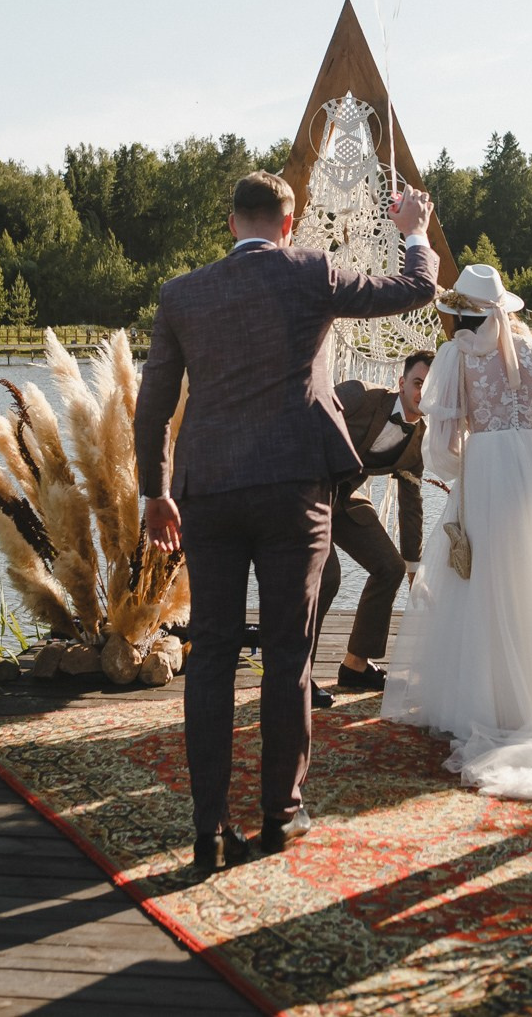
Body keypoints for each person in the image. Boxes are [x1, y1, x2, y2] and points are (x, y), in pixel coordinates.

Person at [134, 170, 437, 873]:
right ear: (289, 224)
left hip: (205, 488)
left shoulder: (181, 294)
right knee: (288, 653)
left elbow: (153, 404)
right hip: (293, 487)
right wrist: (414, 229)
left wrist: (155, 492)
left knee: (210, 653)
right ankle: (280, 815)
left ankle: (207, 828)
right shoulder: (312, 273)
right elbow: (415, 288)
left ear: (232, 225)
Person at [381, 264, 532, 803]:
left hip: (486, 470)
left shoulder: (456, 358)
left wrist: (471, 454)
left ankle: (484, 700)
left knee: (481, 581)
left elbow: (442, 447)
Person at [310, 351, 434, 705]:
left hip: (345, 501)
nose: (422, 393)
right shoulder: (358, 395)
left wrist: (414, 568)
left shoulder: (420, 439)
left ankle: (355, 665)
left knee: (389, 567)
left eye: (430, 386)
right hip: (305, 494)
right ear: (401, 383)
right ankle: (296, 679)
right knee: (327, 576)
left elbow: (411, 504)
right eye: (417, 383)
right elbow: (305, 420)